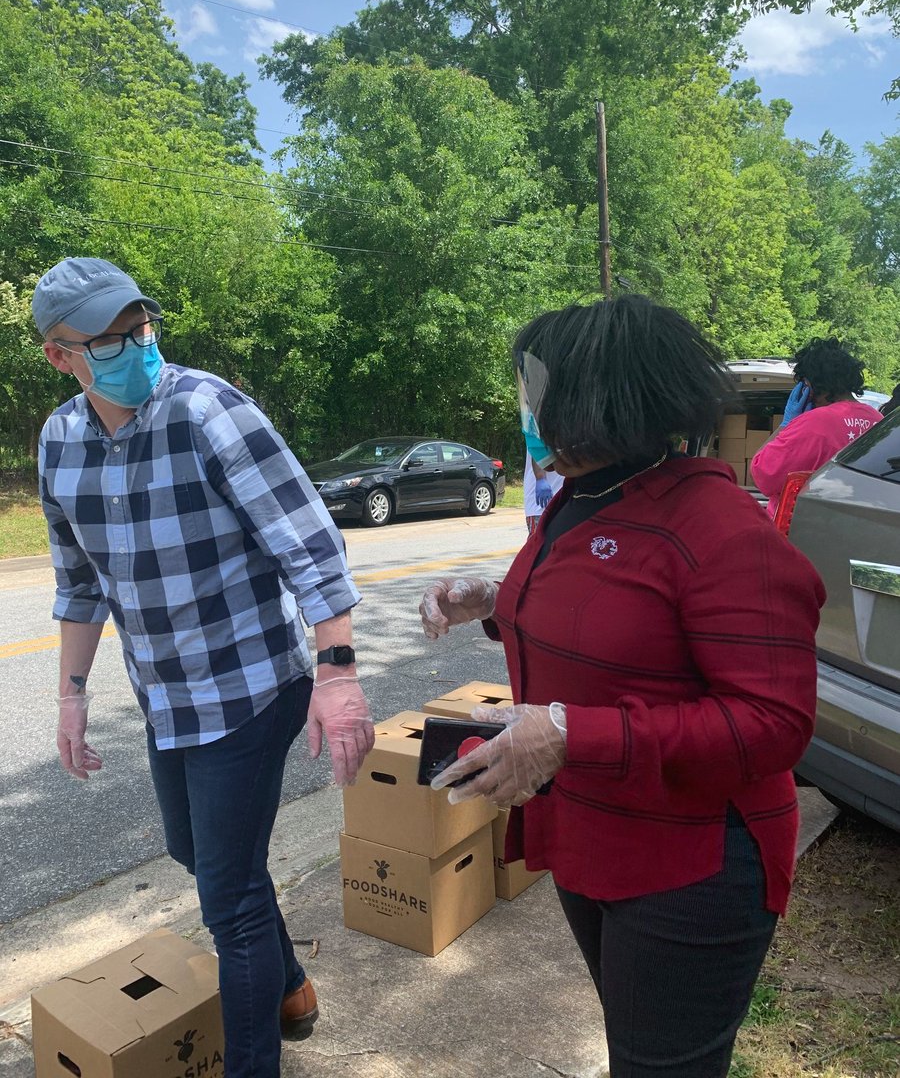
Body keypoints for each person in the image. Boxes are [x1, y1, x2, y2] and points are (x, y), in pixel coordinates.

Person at [418, 294, 824, 1078]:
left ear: (597, 397)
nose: (525, 407)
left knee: (660, 1065)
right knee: (640, 1048)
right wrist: (495, 601)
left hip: (693, 863)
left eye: (533, 388)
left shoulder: (720, 531)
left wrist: (573, 732)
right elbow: (610, 621)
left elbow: (774, 723)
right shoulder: (581, 498)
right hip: (593, 832)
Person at [33, 258, 375, 1078]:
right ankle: (292, 984)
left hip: (253, 686)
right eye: (108, 339)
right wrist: (71, 700)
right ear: (59, 355)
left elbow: (309, 543)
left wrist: (338, 674)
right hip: (167, 696)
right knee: (197, 852)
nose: (134, 348)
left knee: (226, 901)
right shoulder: (60, 441)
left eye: (141, 328)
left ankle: (254, 1062)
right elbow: (79, 584)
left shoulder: (207, 409)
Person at [751, 338, 882, 517]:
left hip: (804, 528)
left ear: (812, 385)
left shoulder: (813, 423)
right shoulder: (879, 421)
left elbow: (763, 475)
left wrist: (785, 424)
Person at [522, 450, 564, 535]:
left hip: (563, 501)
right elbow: (538, 446)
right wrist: (540, 478)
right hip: (541, 504)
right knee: (539, 544)